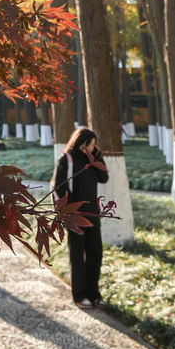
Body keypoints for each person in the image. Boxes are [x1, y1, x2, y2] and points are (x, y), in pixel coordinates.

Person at [54, 127, 109, 309]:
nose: (93, 147)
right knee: (77, 256)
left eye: (95, 144)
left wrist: (95, 158)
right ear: (81, 142)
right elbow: (59, 187)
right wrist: (68, 211)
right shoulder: (67, 159)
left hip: (93, 213)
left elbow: (104, 178)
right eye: (90, 144)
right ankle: (80, 295)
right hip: (75, 216)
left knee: (95, 254)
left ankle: (94, 293)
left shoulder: (93, 158)